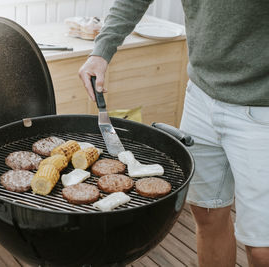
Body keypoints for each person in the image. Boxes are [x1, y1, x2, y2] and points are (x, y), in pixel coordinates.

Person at [78, 1, 269, 266]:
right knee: (207, 213)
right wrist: (101, 51)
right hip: (201, 95)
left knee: (263, 249)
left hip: (261, 108)